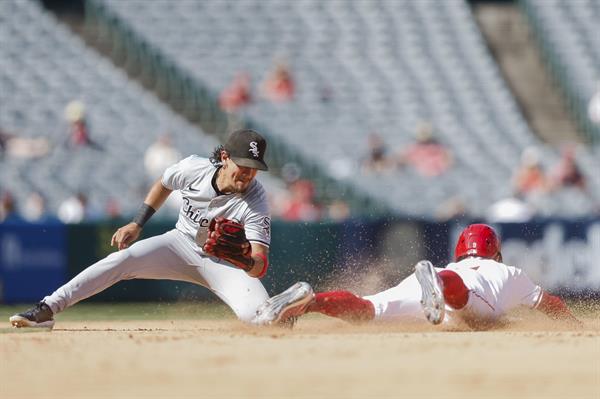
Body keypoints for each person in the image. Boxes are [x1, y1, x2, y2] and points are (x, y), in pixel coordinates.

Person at [10, 129, 273, 329]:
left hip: (222, 264)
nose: (248, 174)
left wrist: (244, 260)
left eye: (255, 168)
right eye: (244, 165)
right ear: (225, 158)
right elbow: (164, 183)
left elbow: (260, 263)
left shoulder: (256, 199)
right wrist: (137, 223)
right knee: (121, 260)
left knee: (262, 318)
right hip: (179, 244)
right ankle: (47, 308)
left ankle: (298, 308)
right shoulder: (194, 168)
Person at [253, 224, 580, 329]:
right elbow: (549, 303)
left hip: (433, 279)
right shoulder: (509, 271)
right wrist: (576, 328)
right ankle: (438, 285)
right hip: (451, 289)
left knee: (366, 310)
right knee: (466, 301)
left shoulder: (456, 265)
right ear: (495, 250)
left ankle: (309, 303)